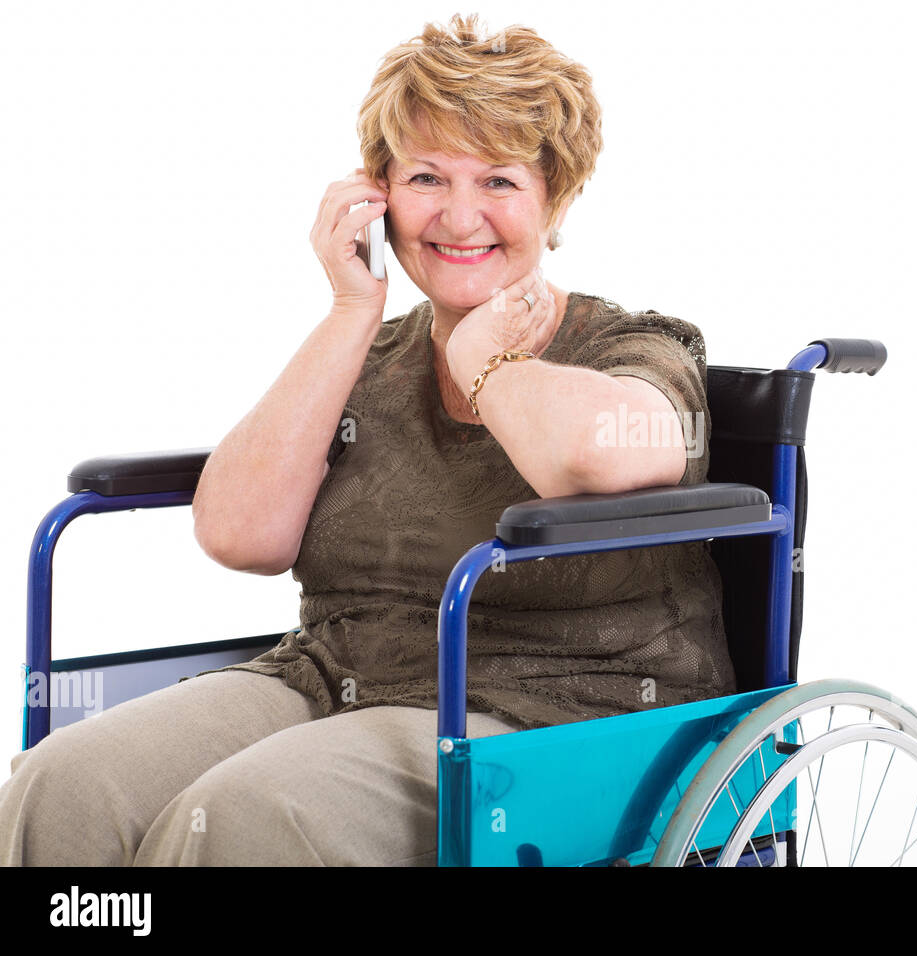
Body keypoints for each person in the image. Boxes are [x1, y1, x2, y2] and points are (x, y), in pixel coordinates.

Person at [0, 13, 735, 866]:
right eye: (427, 176)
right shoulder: (368, 355)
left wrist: (482, 358)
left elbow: (607, 454)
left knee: (250, 817)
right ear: (378, 191)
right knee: (63, 785)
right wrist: (353, 311)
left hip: (552, 711)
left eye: (499, 180)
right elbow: (240, 535)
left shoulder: (632, 345)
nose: (461, 216)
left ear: (554, 198)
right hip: (329, 676)